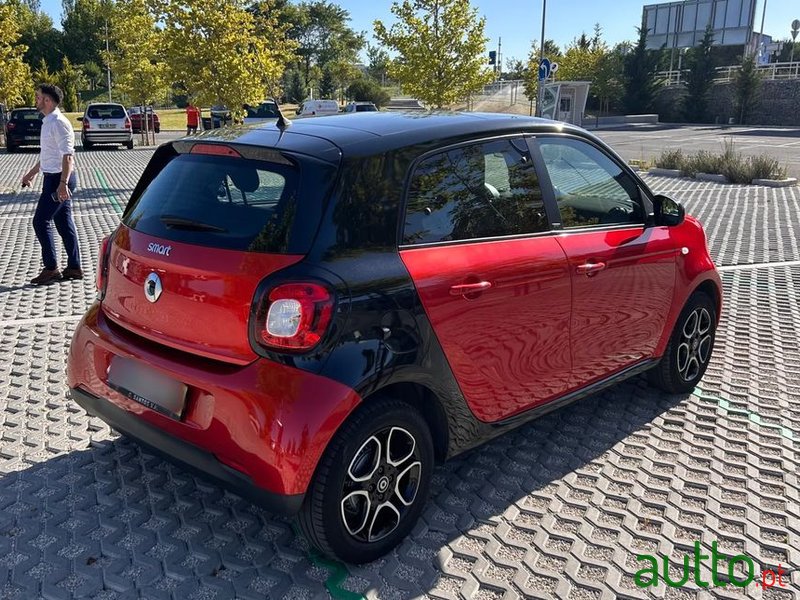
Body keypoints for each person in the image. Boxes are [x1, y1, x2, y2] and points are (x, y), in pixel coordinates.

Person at [21, 83, 82, 285]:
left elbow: (68, 156)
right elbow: (48, 155)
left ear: (48, 100)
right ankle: (74, 267)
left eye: (38, 97)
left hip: (59, 179)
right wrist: (31, 173)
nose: (36, 100)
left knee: (40, 221)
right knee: (63, 222)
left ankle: (51, 268)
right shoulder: (48, 121)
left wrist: (63, 184)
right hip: (53, 177)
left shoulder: (58, 123)